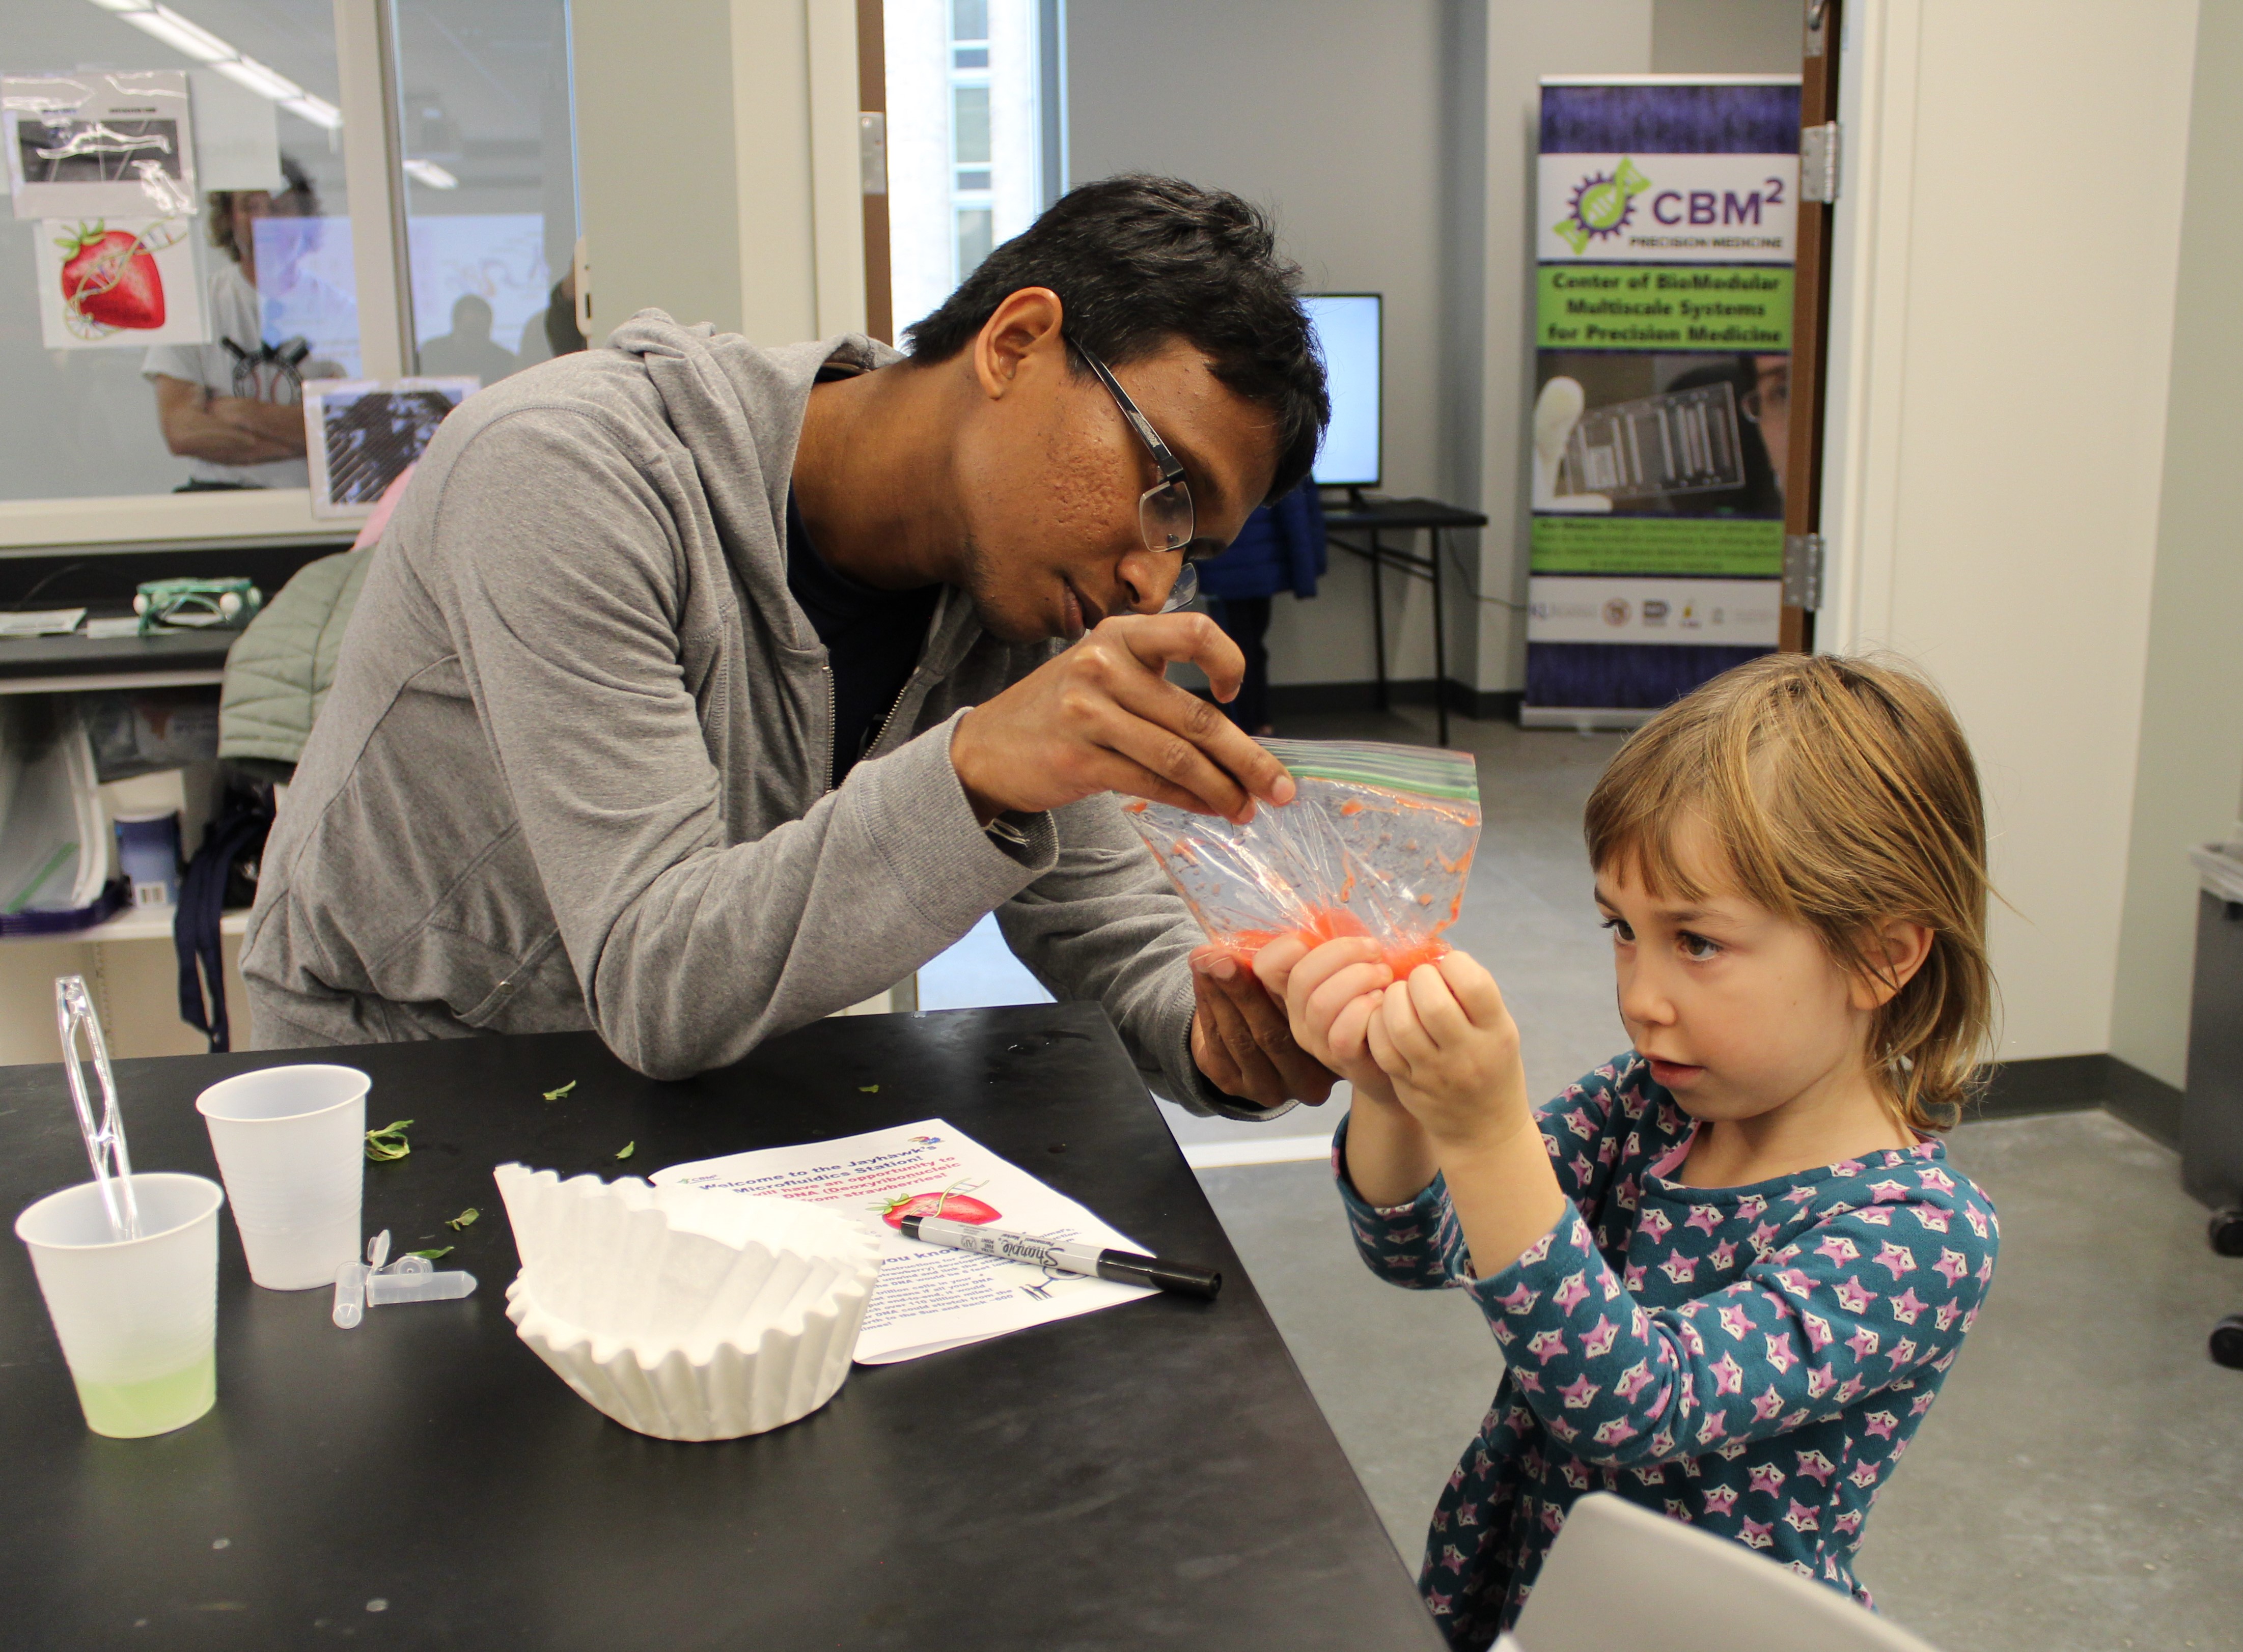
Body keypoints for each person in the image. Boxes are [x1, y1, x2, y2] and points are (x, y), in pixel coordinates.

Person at [241, 175, 1341, 1120]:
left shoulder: (1006, 595)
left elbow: (1114, 928)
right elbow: (652, 970)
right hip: (400, 1088)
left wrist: (1228, 1028)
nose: (1149, 579)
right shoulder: (569, 470)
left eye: (1188, 545)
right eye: (1164, 489)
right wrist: (969, 768)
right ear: (1015, 343)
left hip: (691, 1091)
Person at [1257, 653, 2001, 1648]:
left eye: (1695, 940)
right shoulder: (1640, 1108)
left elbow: (1634, 1400)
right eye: (1621, 929)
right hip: (1527, 1590)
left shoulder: (1918, 1236)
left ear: (1882, 953)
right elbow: (1421, 1244)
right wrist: (1392, 1097)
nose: (1640, 994)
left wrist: (1481, 1126)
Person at [144, 156, 336, 490]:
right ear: (228, 219)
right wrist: (301, 435)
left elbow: (346, 430)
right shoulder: (194, 307)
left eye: (281, 208)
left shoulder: (341, 311)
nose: (266, 220)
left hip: (312, 507)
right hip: (219, 504)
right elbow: (181, 431)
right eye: (251, 206)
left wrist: (244, 413)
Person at [1196, 479, 1326, 735]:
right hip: (1260, 564)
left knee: (1233, 653)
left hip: (1225, 561)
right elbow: (1298, 506)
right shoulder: (1278, 441)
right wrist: (1306, 570)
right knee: (1252, 649)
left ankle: (1243, 732)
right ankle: (1260, 724)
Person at [417, 293, 520, 385]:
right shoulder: (432, 353)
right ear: (456, 325)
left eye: (481, 333)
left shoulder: (504, 360)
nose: (474, 340)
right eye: (470, 331)